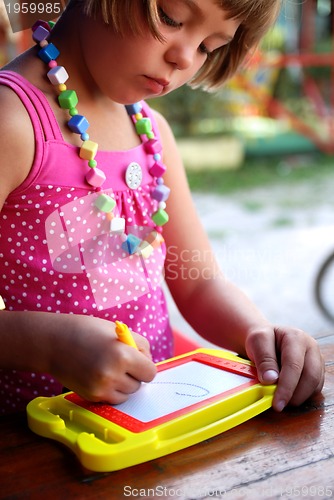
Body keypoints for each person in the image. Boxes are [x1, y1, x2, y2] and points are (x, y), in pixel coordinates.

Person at [0, 0, 324, 416]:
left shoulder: (153, 133)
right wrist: (47, 347)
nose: (185, 57)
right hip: (31, 448)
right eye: (171, 18)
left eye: (209, 45)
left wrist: (259, 334)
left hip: (148, 428)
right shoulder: (13, 121)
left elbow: (199, 281)